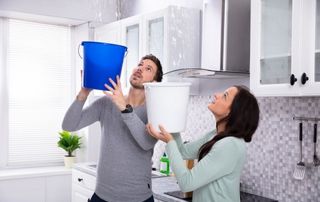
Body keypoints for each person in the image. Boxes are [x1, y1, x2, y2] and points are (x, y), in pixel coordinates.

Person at [62, 54, 163, 202]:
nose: (140, 68)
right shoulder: (106, 103)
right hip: (102, 196)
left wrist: (123, 107)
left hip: (138, 198)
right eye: (140, 64)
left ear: (154, 82)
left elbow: (146, 142)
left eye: (148, 68)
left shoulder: (154, 111)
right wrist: (83, 93)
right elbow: (69, 125)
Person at [146, 85, 260, 202]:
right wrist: (172, 121)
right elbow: (182, 152)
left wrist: (169, 141)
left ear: (233, 112)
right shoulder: (215, 135)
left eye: (225, 96)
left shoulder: (230, 145)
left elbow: (187, 183)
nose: (216, 95)